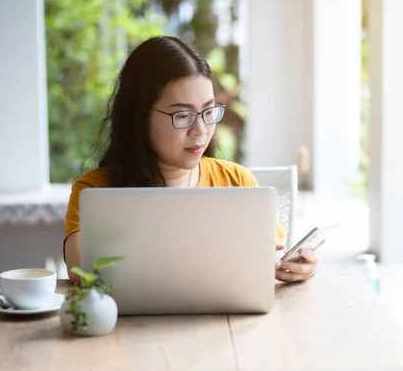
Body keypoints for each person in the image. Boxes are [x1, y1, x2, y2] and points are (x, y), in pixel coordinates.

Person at [63, 36, 318, 284]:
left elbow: (273, 256)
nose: (201, 129)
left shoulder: (237, 181)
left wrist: (293, 266)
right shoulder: (96, 191)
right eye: (183, 115)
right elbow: (79, 268)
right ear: (138, 117)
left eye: (208, 111)